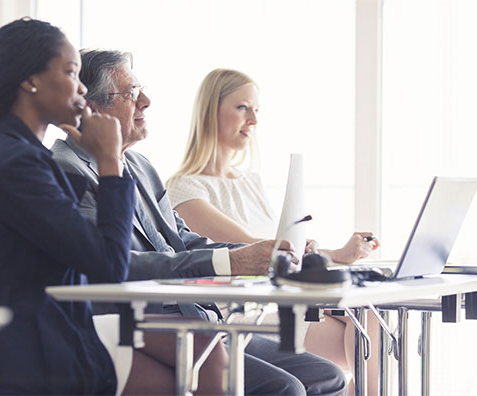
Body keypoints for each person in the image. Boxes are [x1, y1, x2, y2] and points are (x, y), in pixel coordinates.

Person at [0, 19, 226, 396]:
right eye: (71, 72)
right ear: (30, 82)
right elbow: (109, 267)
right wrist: (109, 163)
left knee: (202, 347)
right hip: (17, 353)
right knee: (197, 364)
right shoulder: (16, 163)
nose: (82, 88)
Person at [51, 49, 347, 396]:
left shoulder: (141, 166)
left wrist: (256, 253)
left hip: (202, 320)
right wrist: (232, 261)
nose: (146, 100)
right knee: (284, 389)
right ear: (92, 108)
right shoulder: (65, 170)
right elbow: (113, 264)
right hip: (146, 328)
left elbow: (183, 241)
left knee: (328, 376)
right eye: (131, 93)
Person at [166, 68, 381, 396]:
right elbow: (251, 250)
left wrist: (335, 254)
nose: (253, 119)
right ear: (211, 111)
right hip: (246, 313)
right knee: (362, 332)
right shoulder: (185, 188)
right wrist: (325, 253)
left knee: (371, 324)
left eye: (256, 110)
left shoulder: (250, 182)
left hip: (285, 305)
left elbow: (284, 248)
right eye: (242, 108)